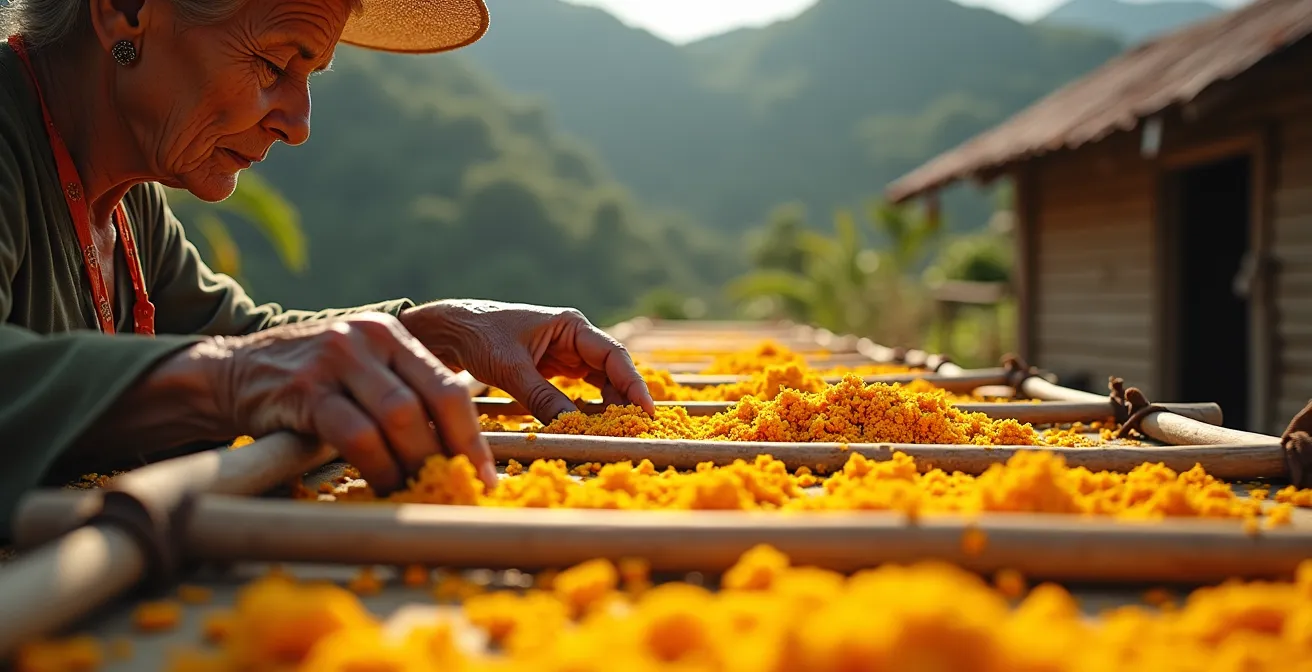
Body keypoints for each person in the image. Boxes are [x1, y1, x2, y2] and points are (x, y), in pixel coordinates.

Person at [0, 0, 655, 539]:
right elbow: (235, 366)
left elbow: (236, 340)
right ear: (124, 11)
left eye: (308, 75)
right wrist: (236, 378)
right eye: (273, 64)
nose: (298, 124)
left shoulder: (127, 201)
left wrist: (440, 330)